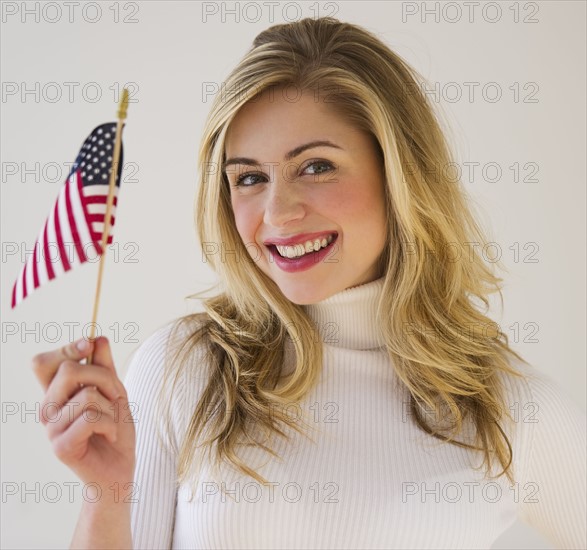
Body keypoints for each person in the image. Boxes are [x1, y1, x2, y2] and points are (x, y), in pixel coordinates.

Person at [31, 17, 586, 549]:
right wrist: (105, 495)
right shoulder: (185, 368)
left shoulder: (508, 409)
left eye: (316, 166)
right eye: (249, 178)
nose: (277, 212)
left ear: (400, 177)